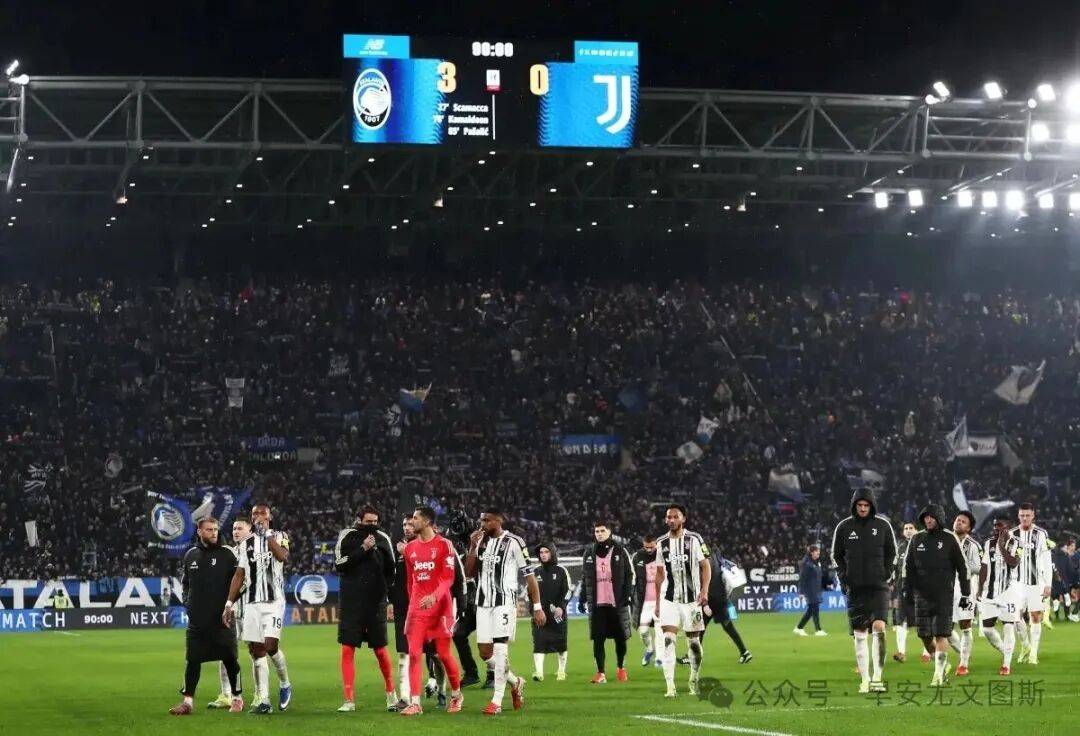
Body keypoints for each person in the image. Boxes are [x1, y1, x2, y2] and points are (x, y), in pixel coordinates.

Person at [464, 509, 545, 715]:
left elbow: (529, 575)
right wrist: (472, 546)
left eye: (487, 520)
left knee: (500, 650)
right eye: (481, 520)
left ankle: (497, 700)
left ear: (499, 521)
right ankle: (516, 682)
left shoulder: (514, 542)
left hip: (504, 603)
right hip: (483, 603)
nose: (482, 524)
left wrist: (537, 607)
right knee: (485, 653)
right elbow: (468, 573)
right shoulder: (480, 541)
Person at [169, 518, 244, 715]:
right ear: (199, 532)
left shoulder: (228, 554)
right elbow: (185, 583)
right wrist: (188, 603)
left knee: (230, 659)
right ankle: (187, 702)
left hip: (222, 618)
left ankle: (237, 698)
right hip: (198, 620)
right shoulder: (190, 555)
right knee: (192, 660)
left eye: (216, 529)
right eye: (209, 530)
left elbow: (241, 581)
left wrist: (231, 603)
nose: (214, 533)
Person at [224, 504, 292, 715]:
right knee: (256, 650)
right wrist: (229, 603)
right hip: (252, 604)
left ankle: (285, 683)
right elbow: (239, 575)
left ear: (269, 516)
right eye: (255, 514)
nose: (259, 516)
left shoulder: (280, 536)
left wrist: (266, 535)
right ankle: (263, 700)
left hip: (274, 602)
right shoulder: (246, 544)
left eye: (262, 513)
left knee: (270, 646)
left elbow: (282, 556)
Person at [830, 489, 897, 694]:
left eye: (866, 505)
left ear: (871, 506)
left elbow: (892, 553)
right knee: (860, 633)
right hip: (855, 588)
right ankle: (865, 679)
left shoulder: (883, 526)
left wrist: (886, 574)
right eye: (859, 505)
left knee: (879, 627)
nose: (862, 508)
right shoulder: (843, 527)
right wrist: (844, 579)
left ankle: (877, 678)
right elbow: (836, 556)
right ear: (854, 506)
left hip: (878, 587)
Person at [399, 506, 463, 716]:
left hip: (441, 607)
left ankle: (456, 695)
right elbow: (410, 581)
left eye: (415, 518)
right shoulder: (410, 548)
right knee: (414, 654)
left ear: (426, 521)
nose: (411, 522)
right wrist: (414, 603)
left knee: (443, 654)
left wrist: (434, 597)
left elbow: (448, 578)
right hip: (418, 610)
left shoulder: (444, 545)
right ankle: (415, 703)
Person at [334, 505, 397, 712]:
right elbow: (339, 564)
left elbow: (391, 571)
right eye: (368, 521)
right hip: (351, 603)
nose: (372, 525)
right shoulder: (347, 536)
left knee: (380, 650)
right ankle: (349, 700)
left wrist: (385, 594)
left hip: (376, 603)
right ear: (359, 519)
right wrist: (363, 549)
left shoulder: (383, 538)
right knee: (347, 649)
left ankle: (391, 694)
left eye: (375, 522)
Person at [903, 505, 970, 687]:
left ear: (939, 517)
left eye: (931, 517)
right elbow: (908, 567)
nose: (928, 520)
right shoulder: (917, 539)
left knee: (941, 634)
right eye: (926, 517)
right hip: (921, 595)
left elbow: (963, 567)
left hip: (943, 595)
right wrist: (906, 589)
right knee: (924, 636)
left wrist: (966, 593)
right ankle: (942, 665)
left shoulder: (950, 538)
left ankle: (938, 675)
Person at [654, 504, 711, 698]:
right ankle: (670, 686)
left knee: (693, 643)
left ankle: (693, 678)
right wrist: (657, 602)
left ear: (683, 519)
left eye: (675, 517)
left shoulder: (694, 539)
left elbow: (706, 566)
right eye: (668, 517)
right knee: (668, 640)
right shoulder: (661, 543)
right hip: (669, 599)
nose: (671, 520)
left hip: (691, 601)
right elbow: (659, 574)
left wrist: (704, 591)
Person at [578, 521, 634, 684]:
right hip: (597, 604)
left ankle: (621, 668)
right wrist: (582, 598)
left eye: (602, 531)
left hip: (617, 603)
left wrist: (627, 595)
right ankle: (600, 673)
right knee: (598, 639)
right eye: (597, 531)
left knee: (620, 638)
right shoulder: (589, 552)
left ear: (609, 532)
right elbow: (585, 578)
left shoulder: (620, 550)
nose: (599, 534)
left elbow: (629, 574)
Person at [208, 518, 252, 710]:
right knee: (225, 652)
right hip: (232, 611)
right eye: (234, 528)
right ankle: (226, 694)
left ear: (249, 530)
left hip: (251, 609)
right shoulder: (229, 553)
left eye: (240, 528)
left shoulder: (255, 552)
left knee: (257, 651)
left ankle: (261, 694)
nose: (236, 531)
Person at [1009, 503, 1052, 665]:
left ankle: (1033, 653)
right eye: (1022, 515)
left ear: (1033, 515)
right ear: (1018, 516)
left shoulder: (1041, 534)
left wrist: (1048, 584)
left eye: (1027, 515)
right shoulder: (1012, 534)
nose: (1025, 518)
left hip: (1036, 583)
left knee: (1035, 616)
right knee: (1015, 617)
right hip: (1016, 583)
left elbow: (1047, 560)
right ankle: (1026, 646)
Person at [977, 518, 1021, 675]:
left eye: (1000, 526)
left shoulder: (1017, 543)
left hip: (1008, 592)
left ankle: (1006, 664)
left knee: (1008, 627)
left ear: (1008, 528)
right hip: (990, 592)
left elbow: (1013, 562)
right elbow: (984, 566)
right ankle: (1005, 650)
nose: (996, 529)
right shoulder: (988, 543)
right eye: (995, 526)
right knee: (987, 628)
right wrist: (979, 588)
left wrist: (1001, 545)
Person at [701, 553, 753, 663]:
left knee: (700, 628)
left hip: (714, 600)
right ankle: (744, 652)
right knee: (727, 627)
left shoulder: (708, 562)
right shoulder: (719, 560)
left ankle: (693, 656)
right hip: (721, 599)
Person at [531, 542, 571, 681]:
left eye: (546, 552)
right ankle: (539, 672)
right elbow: (529, 592)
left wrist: (561, 607)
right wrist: (534, 609)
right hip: (540, 614)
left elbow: (568, 591)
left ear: (552, 553)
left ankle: (561, 671)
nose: (543, 555)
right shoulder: (535, 571)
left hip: (557, 614)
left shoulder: (561, 570)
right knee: (539, 642)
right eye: (541, 552)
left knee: (561, 643)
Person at [948, 511, 982, 676]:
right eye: (957, 519)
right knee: (945, 628)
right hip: (946, 589)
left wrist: (961, 565)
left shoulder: (973, 545)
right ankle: (963, 653)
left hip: (965, 591)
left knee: (965, 626)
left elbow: (978, 567)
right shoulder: (945, 540)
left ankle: (963, 663)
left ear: (968, 528)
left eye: (963, 521)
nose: (959, 522)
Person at [890, 521, 920, 663]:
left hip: (919, 590)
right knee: (900, 620)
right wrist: (894, 586)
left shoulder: (922, 546)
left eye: (911, 528)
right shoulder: (900, 548)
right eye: (906, 528)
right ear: (903, 532)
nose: (908, 530)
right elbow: (894, 569)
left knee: (923, 620)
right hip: (902, 590)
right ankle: (901, 652)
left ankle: (927, 651)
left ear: (916, 530)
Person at [631, 536, 662, 667]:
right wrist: (631, 595)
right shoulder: (637, 556)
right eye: (646, 547)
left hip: (660, 601)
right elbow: (632, 577)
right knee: (643, 631)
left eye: (651, 547)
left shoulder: (662, 555)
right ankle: (649, 650)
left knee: (659, 631)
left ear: (656, 545)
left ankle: (659, 658)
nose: (649, 550)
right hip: (645, 602)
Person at [795, 544, 828, 636]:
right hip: (810, 591)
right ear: (812, 553)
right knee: (815, 609)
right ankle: (818, 630)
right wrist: (801, 592)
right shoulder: (807, 564)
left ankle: (799, 628)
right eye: (817, 551)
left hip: (816, 590)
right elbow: (802, 578)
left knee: (810, 611)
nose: (818, 553)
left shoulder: (816, 563)